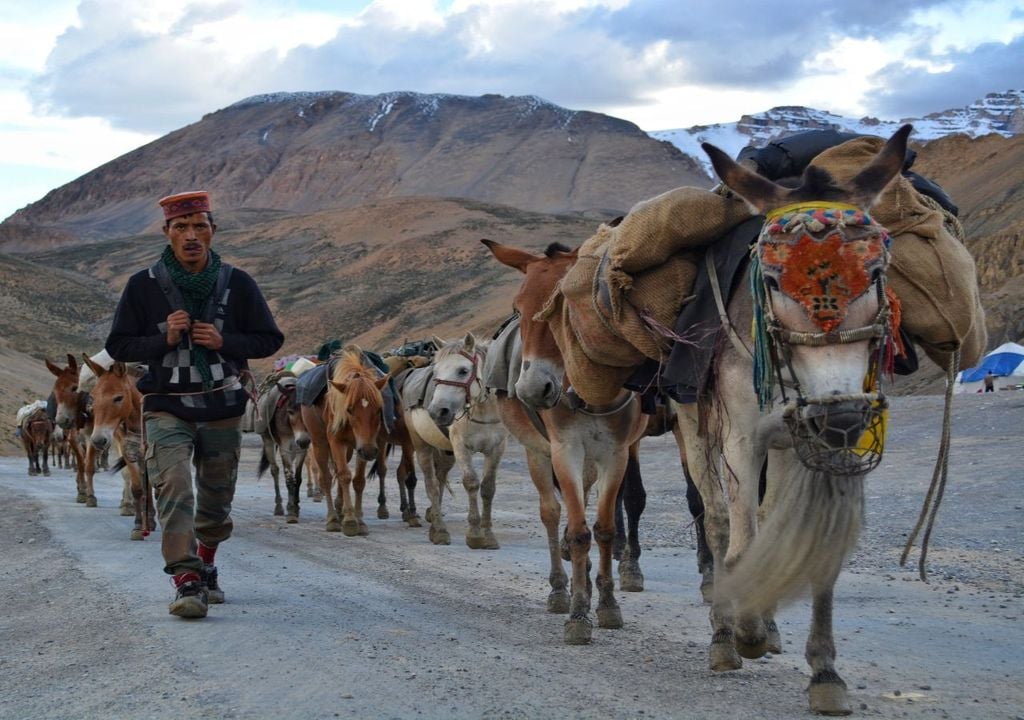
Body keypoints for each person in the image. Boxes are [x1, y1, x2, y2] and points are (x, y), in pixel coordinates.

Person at [106, 190, 284, 619]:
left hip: (222, 405)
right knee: (174, 487)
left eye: (199, 226)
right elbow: (118, 344)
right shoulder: (142, 285)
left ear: (213, 231)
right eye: (181, 227)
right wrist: (161, 338)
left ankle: (206, 562)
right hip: (167, 405)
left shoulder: (237, 282)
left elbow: (269, 339)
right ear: (167, 232)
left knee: (217, 497)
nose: (191, 235)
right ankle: (185, 579)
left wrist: (227, 342)